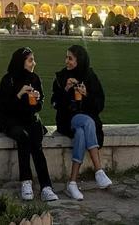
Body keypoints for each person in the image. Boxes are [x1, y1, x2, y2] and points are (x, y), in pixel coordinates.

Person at [0, 47, 58, 202]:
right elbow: (4, 108)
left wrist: (37, 99)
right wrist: (19, 94)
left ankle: (46, 187)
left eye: (33, 60)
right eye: (30, 60)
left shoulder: (34, 79)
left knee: (36, 142)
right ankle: (26, 182)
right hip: (11, 120)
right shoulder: (8, 80)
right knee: (23, 138)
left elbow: (39, 105)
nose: (34, 63)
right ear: (21, 62)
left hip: (30, 119)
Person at [52, 45, 112, 200]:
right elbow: (55, 104)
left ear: (80, 60)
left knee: (82, 131)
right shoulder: (61, 77)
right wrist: (65, 89)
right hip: (67, 119)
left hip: (85, 118)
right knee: (87, 122)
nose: (67, 61)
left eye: (70, 58)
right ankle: (98, 170)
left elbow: (100, 104)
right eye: (66, 57)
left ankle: (72, 183)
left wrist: (86, 94)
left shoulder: (90, 76)